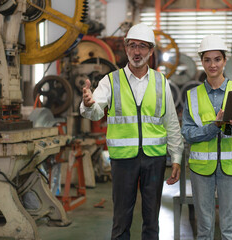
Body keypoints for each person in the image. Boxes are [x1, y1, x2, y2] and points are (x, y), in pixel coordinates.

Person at [80, 23, 184, 240]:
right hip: (123, 160)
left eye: (143, 47)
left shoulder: (161, 83)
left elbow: (171, 122)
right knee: (121, 221)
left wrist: (176, 158)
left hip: (154, 159)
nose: (137, 52)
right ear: (126, 48)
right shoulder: (111, 81)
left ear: (151, 51)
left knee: (151, 221)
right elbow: (95, 112)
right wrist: (88, 104)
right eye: (133, 46)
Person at [181, 35, 232, 240]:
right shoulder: (191, 95)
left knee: (229, 231)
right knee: (204, 230)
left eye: (217, 59)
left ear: (225, 61)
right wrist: (214, 127)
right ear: (201, 62)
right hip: (201, 170)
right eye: (208, 60)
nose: (213, 65)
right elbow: (188, 134)